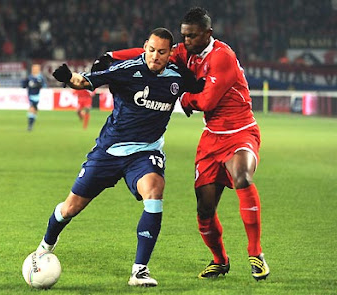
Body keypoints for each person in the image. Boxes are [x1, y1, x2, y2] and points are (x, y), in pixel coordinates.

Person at [98, 7, 270, 281]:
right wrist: (111, 57)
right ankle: (219, 260)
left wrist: (185, 99)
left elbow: (206, 102)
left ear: (208, 34)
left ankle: (256, 254)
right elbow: (152, 52)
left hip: (240, 130)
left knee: (242, 177)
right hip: (211, 136)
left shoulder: (222, 57)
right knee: (204, 208)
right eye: (184, 36)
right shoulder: (185, 52)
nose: (186, 42)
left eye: (192, 36)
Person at [34, 28, 202, 287]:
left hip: (146, 152)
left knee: (154, 192)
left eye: (161, 52)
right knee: (70, 208)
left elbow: (201, 89)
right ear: (144, 46)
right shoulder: (126, 70)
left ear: (170, 53)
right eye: (151, 50)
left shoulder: (178, 76)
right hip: (109, 151)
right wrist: (68, 77)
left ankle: (139, 270)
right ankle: (45, 246)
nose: (155, 56)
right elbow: (86, 82)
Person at [22, 63, 47, 131]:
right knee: (32, 109)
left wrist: (38, 85)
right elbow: (24, 85)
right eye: (33, 68)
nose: (34, 70)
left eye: (36, 68)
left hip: (37, 96)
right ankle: (30, 126)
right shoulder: (29, 77)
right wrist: (24, 82)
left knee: (33, 110)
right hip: (30, 96)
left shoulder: (40, 77)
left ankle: (30, 125)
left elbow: (44, 86)